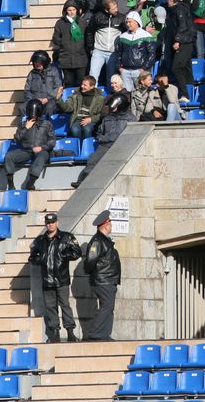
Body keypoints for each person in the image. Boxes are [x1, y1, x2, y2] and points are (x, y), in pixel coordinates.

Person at [29, 212, 82, 343]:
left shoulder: (66, 237)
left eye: (52, 222)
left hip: (62, 279)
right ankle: (55, 333)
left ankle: (70, 332)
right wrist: (40, 259)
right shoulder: (40, 241)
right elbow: (32, 257)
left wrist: (64, 255)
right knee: (50, 307)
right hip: (47, 280)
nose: (50, 225)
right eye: (48, 223)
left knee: (65, 305)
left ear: (57, 223)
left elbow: (77, 252)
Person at [72, 93, 132, 188]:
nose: (112, 108)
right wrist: (101, 138)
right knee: (92, 160)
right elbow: (99, 132)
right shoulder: (107, 118)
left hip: (120, 146)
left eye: (114, 106)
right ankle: (81, 181)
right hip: (105, 145)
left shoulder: (130, 119)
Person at [0, 98, 55, 191]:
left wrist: (42, 147)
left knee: (42, 156)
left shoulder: (47, 124)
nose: (33, 115)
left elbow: (52, 141)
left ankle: (30, 183)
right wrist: (26, 128)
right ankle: (11, 185)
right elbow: (17, 139)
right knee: (9, 156)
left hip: (41, 150)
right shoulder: (23, 124)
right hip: (26, 151)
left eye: (35, 113)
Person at [82, 210, 121, 342]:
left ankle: (104, 334)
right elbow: (90, 261)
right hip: (102, 280)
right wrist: (95, 275)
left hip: (109, 280)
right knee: (107, 306)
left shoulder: (105, 240)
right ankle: (94, 333)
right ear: (105, 224)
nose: (111, 225)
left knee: (109, 307)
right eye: (110, 223)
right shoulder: (97, 241)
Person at [114, 11, 156, 92]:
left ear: (137, 22)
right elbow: (118, 53)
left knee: (141, 94)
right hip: (125, 71)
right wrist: (119, 67)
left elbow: (152, 54)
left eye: (130, 22)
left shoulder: (146, 36)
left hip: (139, 71)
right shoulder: (122, 36)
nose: (128, 24)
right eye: (127, 22)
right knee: (127, 95)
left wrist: (143, 68)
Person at [51, 1, 89, 87]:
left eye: (74, 9)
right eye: (69, 10)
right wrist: (63, 43)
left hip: (81, 58)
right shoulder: (60, 23)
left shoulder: (82, 22)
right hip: (66, 58)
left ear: (77, 10)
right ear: (65, 11)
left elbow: (87, 38)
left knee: (81, 83)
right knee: (68, 83)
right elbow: (55, 38)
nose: (72, 12)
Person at [59, 75, 104, 141]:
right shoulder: (76, 95)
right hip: (77, 119)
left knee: (87, 129)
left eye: (85, 85)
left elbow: (101, 114)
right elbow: (67, 108)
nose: (82, 86)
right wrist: (58, 99)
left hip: (90, 119)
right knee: (75, 130)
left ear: (92, 86)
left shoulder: (99, 98)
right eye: (82, 84)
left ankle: (86, 147)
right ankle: (77, 147)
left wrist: (91, 119)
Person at [24, 50, 64, 117]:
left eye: (39, 62)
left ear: (45, 62)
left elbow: (58, 87)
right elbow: (27, 90)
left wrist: (47, 99)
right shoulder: (32, 74)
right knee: (22, 107)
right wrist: (33, 100)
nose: (37, 64)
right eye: (35, 62)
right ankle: (28, 126)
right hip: (35, 100)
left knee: (49, 107)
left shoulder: (54, 71)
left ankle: (47, 126)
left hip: (51, 100)